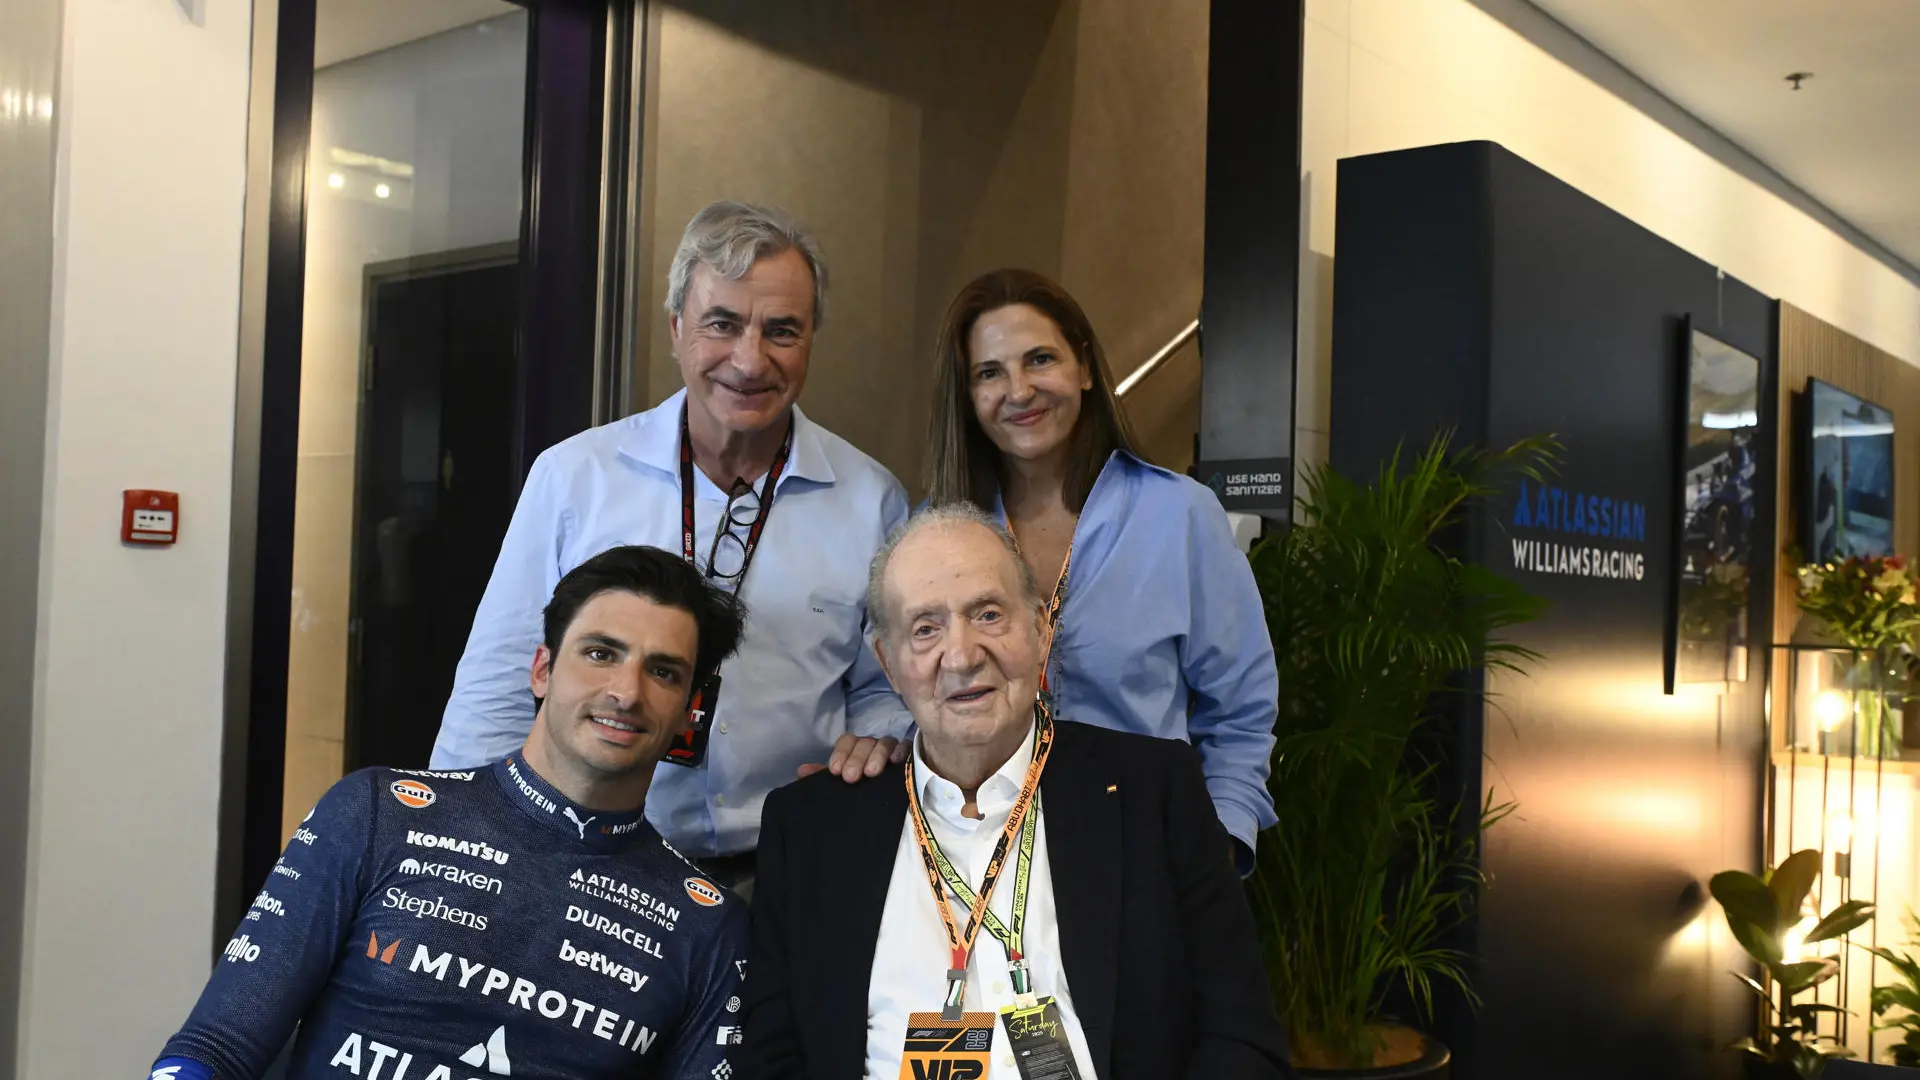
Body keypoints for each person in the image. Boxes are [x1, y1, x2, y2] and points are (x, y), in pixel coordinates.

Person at [432, 200, 912, 889]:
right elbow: (499, 684)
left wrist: (879, 736)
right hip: (588, 860)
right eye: (723, 324)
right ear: (677, 328)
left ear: (811, 341)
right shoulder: (576, 478)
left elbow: (885, 686)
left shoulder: (872, 500)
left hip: (785, 875)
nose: (750, 360)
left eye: (782, 331)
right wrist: (458, 856)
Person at [150, 545, 753, 1080]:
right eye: (601, 653)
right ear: (542, 670)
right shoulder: (377, 814)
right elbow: (215, 1047)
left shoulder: (708, 925)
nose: (627, 692)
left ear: (689, 710)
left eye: (663, 671)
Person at [741, 506, 1291, 1079]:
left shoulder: (1154, 793)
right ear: (889, 664)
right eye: (925, 628)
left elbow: (1242, 1040)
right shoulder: (812, 828)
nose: (961, 655)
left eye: (988, 614)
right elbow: (772, 1059)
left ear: (1039, 632)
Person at [924, 268, 1279, 872]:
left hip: (1142, 856)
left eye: (1040, 360)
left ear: (1084, 369)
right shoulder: (936, 535)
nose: (1018, 390)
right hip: (971, 860)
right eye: (989, 373)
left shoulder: (1180, 516)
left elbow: (1240, 709)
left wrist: (1216, 843)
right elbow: (891, 686)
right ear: (967, 395)